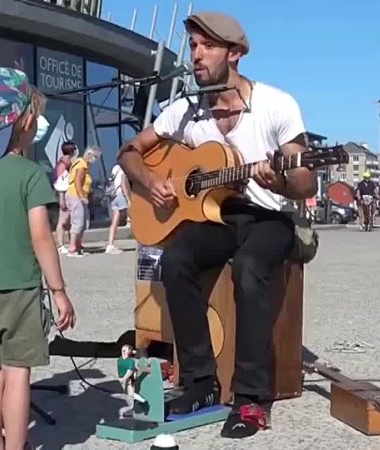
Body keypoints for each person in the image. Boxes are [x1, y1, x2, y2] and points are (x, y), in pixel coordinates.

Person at [116, 11, 316, 440]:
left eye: (207, 46)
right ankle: (201, 383)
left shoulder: (276, 105)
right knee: (175, 260)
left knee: (249, 267)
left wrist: (278, 177)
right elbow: (130, 151)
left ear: (236, 53)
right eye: (193, 46)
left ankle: (251, 397)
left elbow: (305, 180)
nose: (196, 56)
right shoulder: (185, 112)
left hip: (269, 216)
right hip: (218, 216)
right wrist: (150, 181)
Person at [0, 67, 76, 450]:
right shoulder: (29, 175)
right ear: (23, 121)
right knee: (18, 373)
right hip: (20, 290)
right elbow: (41, 237)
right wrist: (59, 291)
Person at [65, 146, 101, 257]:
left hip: (80, 196)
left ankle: (78, 245)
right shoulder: (81, 164)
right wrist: (81, 196)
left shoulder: (85, 165)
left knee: (84, 222)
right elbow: (78, 181)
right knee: (78, 221)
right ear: (89, 155)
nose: (95, 159)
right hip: (75, 196)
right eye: (95, 157)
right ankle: (72, 248)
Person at [53, 141, 77, 254]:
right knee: (62, 220)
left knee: (69, 221)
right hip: (64, 194)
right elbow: (60, 183)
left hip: (70, 194)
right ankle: (60, 245)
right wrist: (61, 198)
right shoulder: (62, 165)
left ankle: (70, 243)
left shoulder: (69, 163)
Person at [105, 163, 131, 254]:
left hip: (113, 195)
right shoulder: (124, 168)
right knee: (130, 212)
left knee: (115, 219)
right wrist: (128, 199)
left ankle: (110, 244)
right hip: (120, 194)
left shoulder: (115, 168)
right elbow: (123, 184)